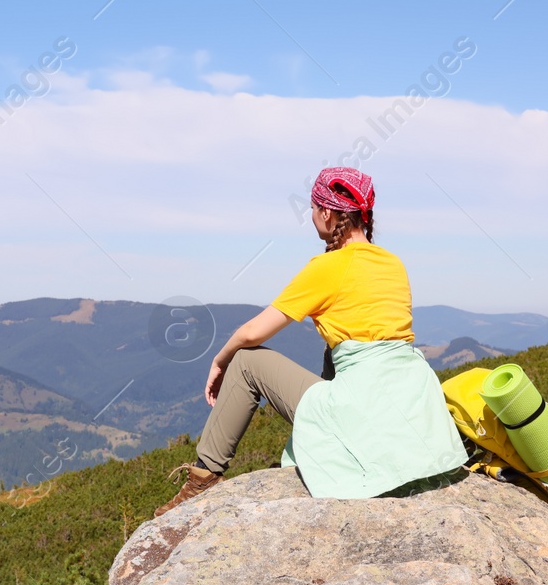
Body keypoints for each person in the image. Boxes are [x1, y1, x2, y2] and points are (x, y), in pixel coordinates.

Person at [155, 167, 466, 517]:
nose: (312, 217)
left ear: (328, 213)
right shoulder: (394, 264)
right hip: (413, 406)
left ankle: (202, 480)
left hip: (362, 406)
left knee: (245, 362)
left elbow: (251, 333)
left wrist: (220, 360)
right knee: (335, 350)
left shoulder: (327, 266)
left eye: (314, 208)